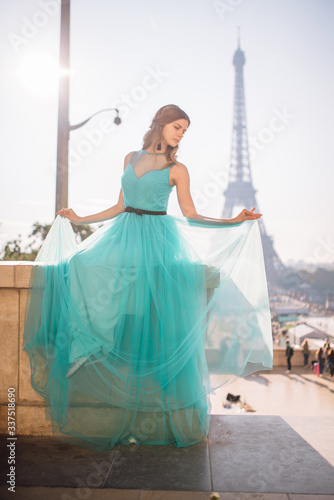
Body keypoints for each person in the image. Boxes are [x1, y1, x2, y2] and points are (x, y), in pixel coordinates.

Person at [23, 104, 272, 452]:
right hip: (123, 233)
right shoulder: (130, 157)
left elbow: (190, 214)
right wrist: (80, 219)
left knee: (143, 303)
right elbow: (119, 206)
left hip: (157, 238)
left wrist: (234, 221)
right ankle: (84, 341)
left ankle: (102, 352)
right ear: (161, 123)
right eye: (177, 126)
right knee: (78, 265)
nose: (180, 134)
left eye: (185, 130)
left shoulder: (177, 169)